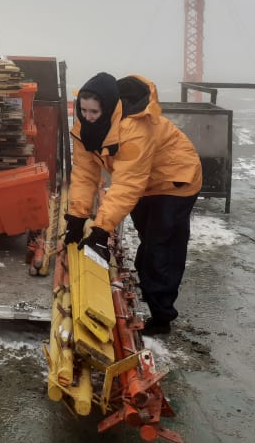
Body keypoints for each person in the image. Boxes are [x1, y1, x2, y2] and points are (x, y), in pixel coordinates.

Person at [64, 72, 202, 336]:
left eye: (94, 111)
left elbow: (127, 185)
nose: (88, 116)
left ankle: (162, 317)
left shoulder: (133, 128)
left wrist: (101, 229)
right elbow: (84, 174)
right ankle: (151, 284)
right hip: (144, 182)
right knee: (148, 240)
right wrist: (77, 217)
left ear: (108, 108)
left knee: (162, 246)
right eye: (83, 110)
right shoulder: (84, 128)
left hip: (175, 179)